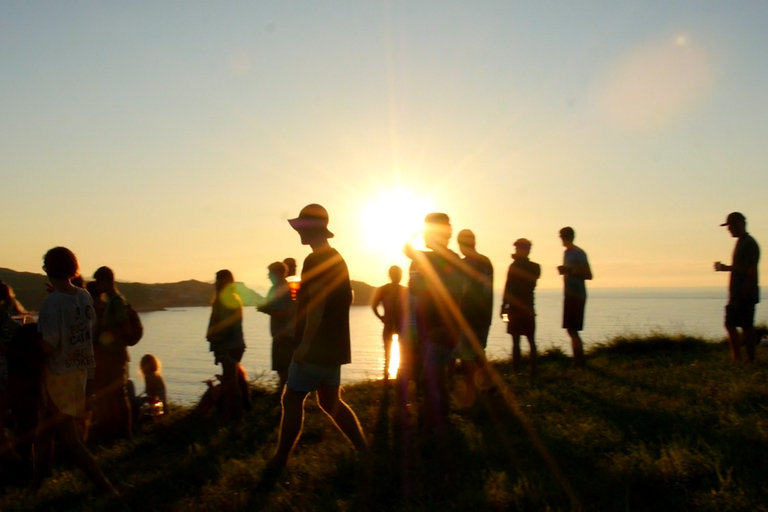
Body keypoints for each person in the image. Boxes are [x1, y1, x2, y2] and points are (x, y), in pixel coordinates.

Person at [269, 204, 368, 471]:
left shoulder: (315, 260)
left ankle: (280, 460)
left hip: (314, 347)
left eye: (301, 227)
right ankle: (364, 451)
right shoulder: (337, 258)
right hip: (333, 347)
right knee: (329, 401)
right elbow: (347, 297)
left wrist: (304, 345)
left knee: (291, 400)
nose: (298, 232)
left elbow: (318, 306)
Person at [34, 247, 116, 494]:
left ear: (49, 269)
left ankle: (105, 488)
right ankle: (35, 486)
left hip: (59, 374)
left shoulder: (51, 303)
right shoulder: (83, 296)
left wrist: (27, 339)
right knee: (44, 431)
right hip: (79, 371)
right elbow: (83, 328)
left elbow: (48, 346)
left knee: (70, 440)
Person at [404, 212, 464, 432]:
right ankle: (438, 423)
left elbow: (406, 248)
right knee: (433, 378)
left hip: (440, 328)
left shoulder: (434, 258)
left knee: (432, 380)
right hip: (438, 327)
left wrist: (417, 232)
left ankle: (435, 426)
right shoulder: (450, 259)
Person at [91, 266, 133, 441]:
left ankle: (125, 433)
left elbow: (125, 328)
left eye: (99, 282)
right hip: (112, 354)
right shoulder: (113, 301)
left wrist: (105, 332)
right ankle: (116, 430)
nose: (97, 286)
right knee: (113, 394)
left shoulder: (115, 301)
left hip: (115, 355)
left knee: (118, 394)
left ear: (106, 281)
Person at [714, 212, 761, 363]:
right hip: (736, 294)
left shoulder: (749, 244)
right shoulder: (741, 243)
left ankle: (749, 359)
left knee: (746, 327)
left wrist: (744, 293)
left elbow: (751, 271)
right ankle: (738, 359)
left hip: (744, 294)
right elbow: (740, 268)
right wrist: (725, 268)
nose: (729, 229)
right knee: (731, 324)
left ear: (740, 224)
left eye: (730, 226)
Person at [454, 229, 493, 406]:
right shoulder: (486, 262)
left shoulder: (462, 264)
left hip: (467, 314)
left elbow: (460, 291)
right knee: (479, 352)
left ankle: (472, 390)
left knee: (466, 355)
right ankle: (487, 386)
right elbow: (488, 290)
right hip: (484, 314)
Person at [206, 269, 247, 420]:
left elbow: (225, 325)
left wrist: (213, 336)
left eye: (218, 279)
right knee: (231, 381)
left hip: (228, 346)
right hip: (232, 345)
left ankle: (233, 416)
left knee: (230, 383)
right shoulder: (230, 298)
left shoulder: (226, 299)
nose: (216, 283)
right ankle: (234, 413)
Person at [501, 238, 541, 375]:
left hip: (519, 307)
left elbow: (509, 288)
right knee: (526, 340)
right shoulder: (534, 267)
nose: (517, 251)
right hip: (525, 307)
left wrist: (504, 307)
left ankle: (520, 370)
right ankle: (530, 370)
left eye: (519, 248)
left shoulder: (517, 266)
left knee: (520, 340)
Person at [257, 261, 298, 392]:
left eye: (270, 273)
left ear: (278, 273)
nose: (268, 276)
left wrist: (265, 310)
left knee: (283, 368)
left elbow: (283, 312)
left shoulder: (282, 288)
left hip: (284, 335)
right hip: (282, 334)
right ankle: (285, 394)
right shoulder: (278, 288)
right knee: (283, 368)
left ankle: (284, 395)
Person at [558, 227, 592, 368]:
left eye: (565, 236)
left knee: (573, 329)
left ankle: (579, 361)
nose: (563, 238)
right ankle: (578, 360)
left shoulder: (579, 253)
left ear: (572, 236)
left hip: (577, 295)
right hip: (569, 294)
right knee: (571, 329)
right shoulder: (566, 253)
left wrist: (569, 270)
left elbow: (588, 275)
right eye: (561, 236)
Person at [370, 265, 407, 379]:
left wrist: (381, 317)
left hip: (399, 325)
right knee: (389, 353)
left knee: (400, 353)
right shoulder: (385, 289)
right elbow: (374, 305)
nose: (398, 277)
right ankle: (388, 379)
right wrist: (381, 317)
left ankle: (398, 378)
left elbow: (374, 305)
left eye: (399, 275)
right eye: (397, 274)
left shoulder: (404, 290)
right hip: (392, 324)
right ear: (391, 275)